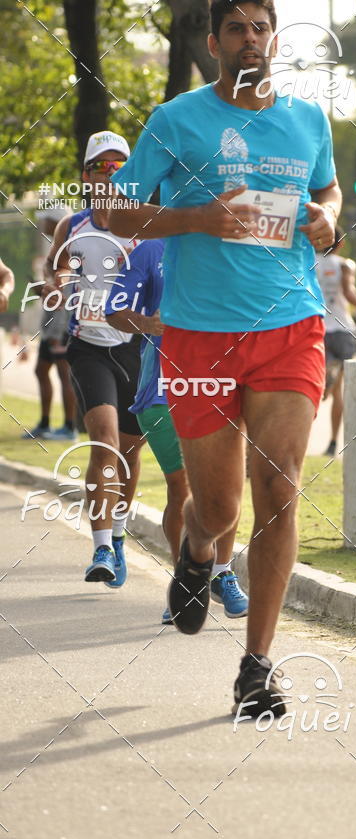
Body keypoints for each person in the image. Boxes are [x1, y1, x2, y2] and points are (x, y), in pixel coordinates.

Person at [108, 0, 340, 717]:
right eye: (235, 30)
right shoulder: (177, 121)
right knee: (219, 505)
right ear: (213, 43)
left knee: (281, 491)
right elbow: (113, 211)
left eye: (261, 29)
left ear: (276, 39)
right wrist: (199, 219)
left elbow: (330, 195)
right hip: (200, 337)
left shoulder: (308, 121)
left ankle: (258, 666)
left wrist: (327, 220)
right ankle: (199, 551)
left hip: (290, 326)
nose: (249, 40)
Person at [106, 238, 249, 623]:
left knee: (228, 485)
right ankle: (187, 582)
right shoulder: (151, 251)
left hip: (221, 385)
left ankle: (220, 573)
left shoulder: (230, 247)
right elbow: (114, 309)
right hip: (163, 389)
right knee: (182, 485)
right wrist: (149, 323)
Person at [46, 130, 145, 586]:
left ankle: (120, 538)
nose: (110, 174)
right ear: (86, 176)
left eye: (119, 166)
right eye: (101, 167)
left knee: (129, 450)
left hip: (136, 348)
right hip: (88, 348)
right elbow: (58, 269)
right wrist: (59, 285)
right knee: (103, 442)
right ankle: (101, 546)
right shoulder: (74, 226)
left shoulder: (146, 225)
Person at [314, 228, 356, 456]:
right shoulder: (345, 265)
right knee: (340, 391)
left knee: (316, 382)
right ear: (341, 244)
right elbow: (348, 291)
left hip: (319, 328)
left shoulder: (309, 263)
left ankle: (326, 377)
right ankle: (332, 442)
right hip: (343, 329)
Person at [23, 210, 78, 441]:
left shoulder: (69, 246)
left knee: (64, 375)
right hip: (51, 324)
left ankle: (69, 428)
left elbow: (67, 293)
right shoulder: (52, 245)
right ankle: (45, 424)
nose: (41, 222)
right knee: (41, 370)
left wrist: (58, 332)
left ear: (55, 221)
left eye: (45, 218)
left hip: (61, 326)